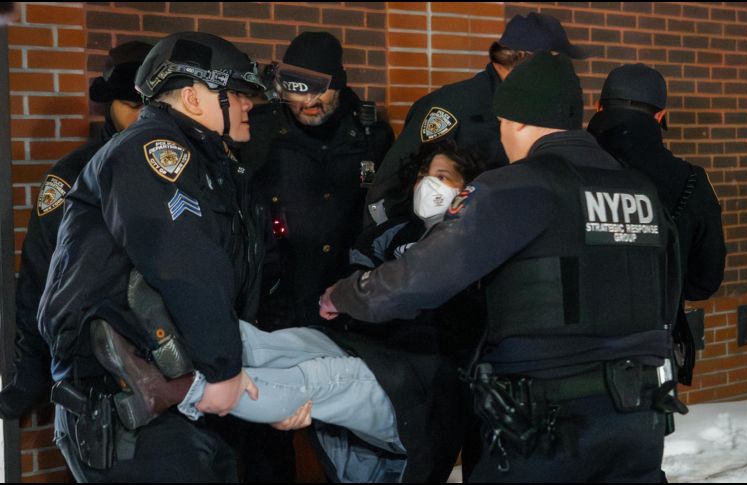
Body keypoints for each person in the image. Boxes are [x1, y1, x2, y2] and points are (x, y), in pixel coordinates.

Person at [320, 51, 685, 482]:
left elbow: (418, 279)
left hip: (545, 424)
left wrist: (345, 294)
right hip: (637, 416)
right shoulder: (639, 190)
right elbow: (672, 286)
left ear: (516, 121)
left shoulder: (515, 186)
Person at [91, 142, 485, 483]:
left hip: (425, 387)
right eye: (424, 174)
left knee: (322, 377)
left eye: (444, 177)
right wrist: (352, 294)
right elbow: (360, 285)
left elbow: (404, 293)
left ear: (467, 189)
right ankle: (155, 335)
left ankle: (172, 391)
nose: (428, 185)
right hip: (374, 352)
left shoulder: (470, 242)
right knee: (280, 344)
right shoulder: (394, 233)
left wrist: (351, 295)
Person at [37, 32, 267, 482]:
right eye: (236, 93)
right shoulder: (153, 153)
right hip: (132, 413)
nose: (249, 104)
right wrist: (223, 368)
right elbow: (183, 261)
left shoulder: (209, 163)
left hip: (178, 399)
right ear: (192, 97)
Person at [0, 41, 152, 420]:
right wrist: (29, 373)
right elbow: (40, 273)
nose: (144, 116)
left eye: (152, 105)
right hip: (98, 375)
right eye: (133, 105)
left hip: (186, 374)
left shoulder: (190, 170)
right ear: (109, 106)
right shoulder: (73, 176)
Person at [365, 12, 588, 226]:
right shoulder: (453, 106)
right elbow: (391, 185)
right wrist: (387, 245)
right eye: (552, 64)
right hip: (445, 250)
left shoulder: (539, 112)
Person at [238, 31, 394, 330]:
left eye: (320, 90)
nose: (309, 101)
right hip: (276, 305)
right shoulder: (257, 133)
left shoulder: (372, 135)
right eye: (299, 90)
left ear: (339, 83)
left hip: (347, 303)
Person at [587, 64, 726, 385]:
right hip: (651, 354)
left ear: (598, 107)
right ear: (661, 116)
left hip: (564, 353)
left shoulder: (559, 166)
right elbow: (704, 281)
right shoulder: (692, 182)